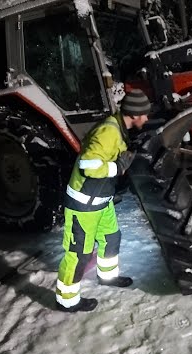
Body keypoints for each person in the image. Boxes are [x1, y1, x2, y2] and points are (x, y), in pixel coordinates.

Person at [55, 89, 151, 312]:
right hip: (84, 204)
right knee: (79, 254)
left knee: (111, 238)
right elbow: (88, 166)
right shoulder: (109, 131)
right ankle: (66, 300)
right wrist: (118, 167)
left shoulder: (120, 128)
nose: (146, 118)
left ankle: (107, 277)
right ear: (135, 114)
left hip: (102, 199)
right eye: (144, 114)